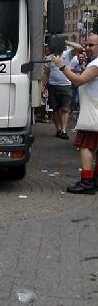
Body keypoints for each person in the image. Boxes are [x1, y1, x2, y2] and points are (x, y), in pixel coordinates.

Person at [52, 33, 98, 194]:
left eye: (91, 45)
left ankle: (86, 182)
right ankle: (95, 180)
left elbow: (78, 80)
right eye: (86, 45)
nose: (87, 48)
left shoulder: (97, 64)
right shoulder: (94, 63)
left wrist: (62, 66)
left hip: (93, 112)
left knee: (86, 146)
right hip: (94, 109)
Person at [42, 43, 82, 139]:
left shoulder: (67, 54)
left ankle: (63, 130)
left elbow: (79, 48)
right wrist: (42, 86)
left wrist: (65, 42)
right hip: (53, 85)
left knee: (65, 108)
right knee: (55, 109)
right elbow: (46, 73)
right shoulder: (49, 57)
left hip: (66, 85)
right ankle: (59, 129)